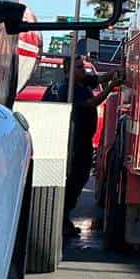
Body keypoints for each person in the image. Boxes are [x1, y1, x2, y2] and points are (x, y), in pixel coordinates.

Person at [46, 53, 113, 236]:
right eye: (79, 68)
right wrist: (110, 88)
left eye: (83, 67)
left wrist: (117, 74)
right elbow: (91, 103)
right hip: (73, 144)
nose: (83, 71)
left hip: (81, 142)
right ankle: (61, 221)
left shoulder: (81, 82)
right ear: (68, 70)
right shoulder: (69, 89)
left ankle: (63, 219)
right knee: (73, 182)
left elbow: (98, 79)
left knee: (79, 179)